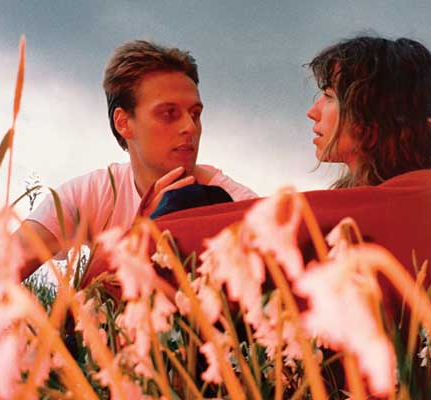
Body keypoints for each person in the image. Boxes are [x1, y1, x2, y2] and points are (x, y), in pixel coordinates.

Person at [150, 36, 431, 352]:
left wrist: (153, 233)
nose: (313, 111)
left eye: (329, 96)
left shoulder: (429, 197)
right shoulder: (415, 194)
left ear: (374, 111)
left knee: (187, 212)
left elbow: (293, 227)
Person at [17, 40, 257, 281]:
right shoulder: (92, 193)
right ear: (123, 123)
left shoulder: (235, 201)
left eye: (195, 114)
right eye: (169, 113)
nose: (190, 127)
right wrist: (142, 230)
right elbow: (0, 269)